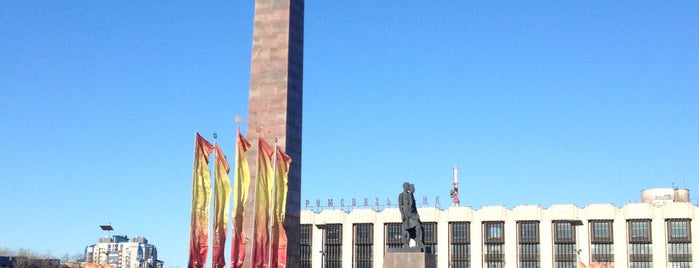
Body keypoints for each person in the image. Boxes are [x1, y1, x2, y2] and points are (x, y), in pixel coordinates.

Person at [399, 182, 423, 247]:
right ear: (404, 187)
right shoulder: (401, 195)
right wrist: (402, 214)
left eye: (408, 186)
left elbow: (414, 206)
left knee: (418, 226)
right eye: (406, 186)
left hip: (412, 215)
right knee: (406, 229)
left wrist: (417, 215)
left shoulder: (411, 195)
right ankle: (406, 243)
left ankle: (420, 241)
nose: (407, 187)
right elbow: (400, 206)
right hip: (406, 215)